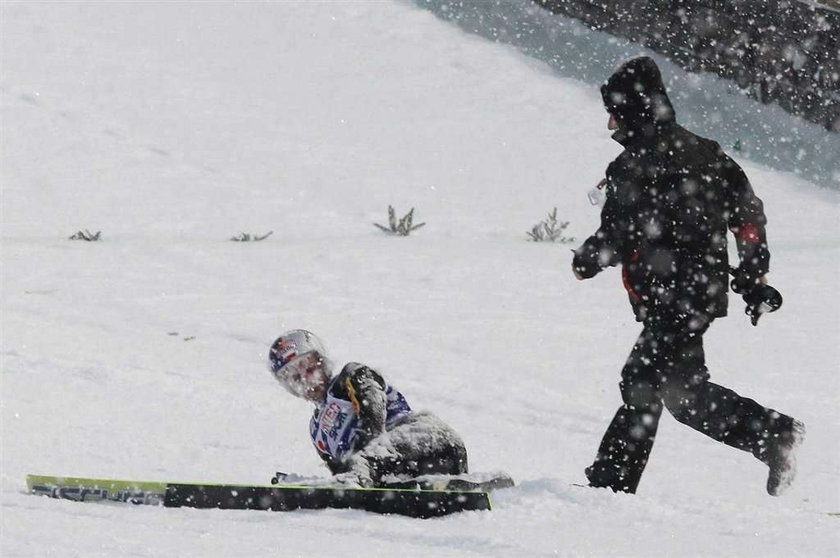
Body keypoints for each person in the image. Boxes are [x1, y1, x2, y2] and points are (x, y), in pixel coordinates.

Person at [572, 56, 805, 496]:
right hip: (700, 294)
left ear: (634, 110)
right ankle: (773, 434)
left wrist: (586, 260)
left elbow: (617, 233)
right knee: (683, 394)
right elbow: (749, 218)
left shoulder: (634, 165)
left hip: (671, 295)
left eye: (614, 112)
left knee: (640, 380)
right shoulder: (707, 153)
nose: (608, 124)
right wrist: (753, 277)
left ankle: (610, 485)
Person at [267, 329, 468, 487]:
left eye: (310, 370)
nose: (307, 381)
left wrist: (358, 462)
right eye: (296, 378)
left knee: (361, 464)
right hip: (398, 472)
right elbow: (340, 474)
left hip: (430, 440)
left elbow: (373, 411)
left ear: (322, 363)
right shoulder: (317, 432)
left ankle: (364, 476)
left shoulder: (351, 376)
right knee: (357, 471)